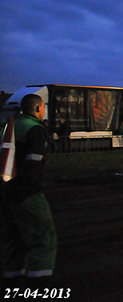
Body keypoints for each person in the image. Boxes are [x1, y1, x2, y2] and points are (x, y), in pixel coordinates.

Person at [2, 94, 57, 289]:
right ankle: (38, 287)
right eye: (42, 108)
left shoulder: (9, 125)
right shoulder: (35, 128)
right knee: (44, 238)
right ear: (37, 109)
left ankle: (11, 285)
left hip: (5, 192)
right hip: (26, 193)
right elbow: (34, 165)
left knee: (14, 240)